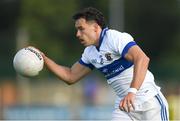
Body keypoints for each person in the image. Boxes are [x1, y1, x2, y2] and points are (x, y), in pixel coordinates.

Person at [38, 7, 169, 120]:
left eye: (81, 29)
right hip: (125, 105)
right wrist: (43, 58)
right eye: (77, 30)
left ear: (95, 27)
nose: (77, 34)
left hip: (149, 101)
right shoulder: (89, 52)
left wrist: (132, 92)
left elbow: (142, 59)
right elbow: (70, 76)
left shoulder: (114, 38)